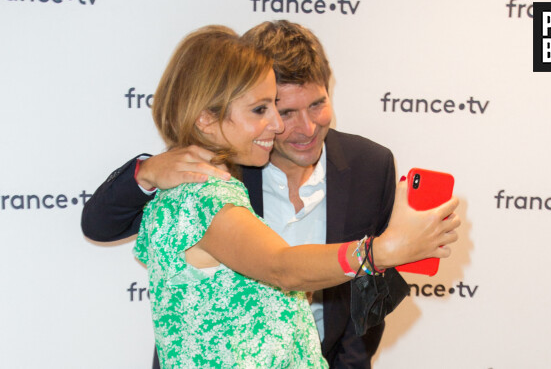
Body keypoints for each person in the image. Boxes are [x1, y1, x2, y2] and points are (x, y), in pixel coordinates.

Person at [82, 21, 461, 368]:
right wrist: (382, 250)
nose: (300, 127)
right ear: (211, 117)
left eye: (317, 104)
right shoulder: (203, 183)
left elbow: (366, 304)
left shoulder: (371, 165)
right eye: (273, 109)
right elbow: (283, 266)